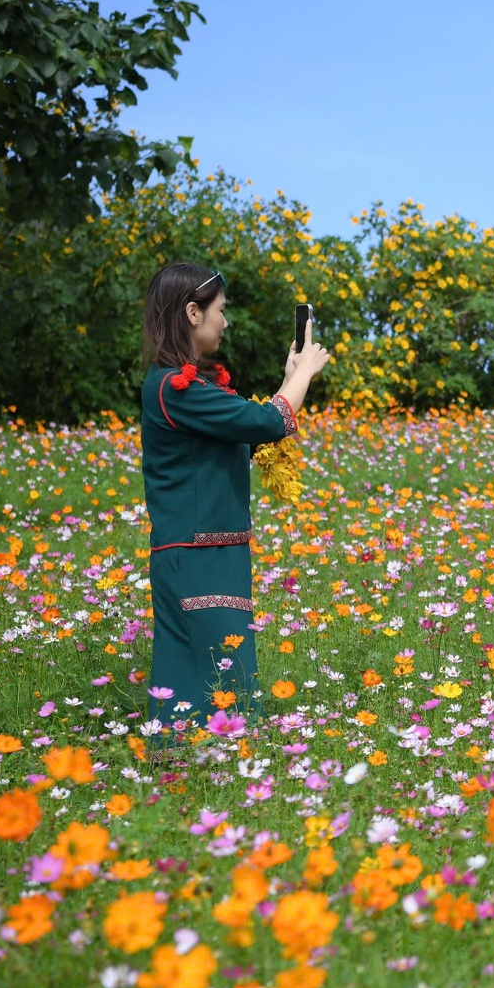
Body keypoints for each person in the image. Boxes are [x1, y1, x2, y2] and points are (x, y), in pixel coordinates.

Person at [139, 263, 332, 725]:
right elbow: (268, 422)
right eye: (220, 311)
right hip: (194, 555)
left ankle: (213, 768)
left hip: (216, 552)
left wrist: (289, 380)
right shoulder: (174, 387)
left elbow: (247, 434)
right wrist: (303, 372)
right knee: (204, 675)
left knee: (226, 673)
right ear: (191, 312)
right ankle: (188, 763)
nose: (225, 323)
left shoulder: (192, 388)